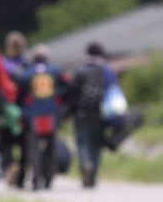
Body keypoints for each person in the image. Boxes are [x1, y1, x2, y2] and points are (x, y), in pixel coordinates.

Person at [65, 42, 119, 188]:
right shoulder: (106, 70)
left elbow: (72, 93)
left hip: (81, 113)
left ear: (87, 53)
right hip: (101, 113)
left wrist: (68, 112)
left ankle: (86, 164)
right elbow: (114, 91)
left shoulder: (79, 70)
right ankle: (93, 174)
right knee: (96, 144)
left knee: (83, 142)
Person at [18, 45, 66, 191]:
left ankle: (36, 178)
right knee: (51, 147)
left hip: (33, 114)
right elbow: (66, 86)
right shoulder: (56, 71)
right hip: (51, 113)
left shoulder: (27, 73)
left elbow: (19, 92)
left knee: (33, 148)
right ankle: (49, 178)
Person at [0, 31, 29, 188]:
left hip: (6, 108)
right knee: (24, 144)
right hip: (23, 109)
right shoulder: (27, 64)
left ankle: (9, 165)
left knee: (5, 143)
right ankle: (21, 177)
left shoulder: (1, 64)